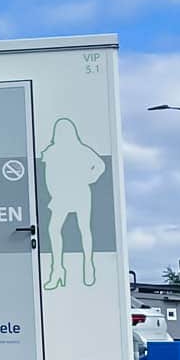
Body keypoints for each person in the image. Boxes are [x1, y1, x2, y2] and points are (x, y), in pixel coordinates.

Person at [39, 117, 104, 289]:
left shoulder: (77, 150)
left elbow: (100, 165)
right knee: (66, 229)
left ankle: (85, 266)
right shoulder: (55, 151)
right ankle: (59, 270)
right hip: (64, 194)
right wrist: (89, 178)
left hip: (76, 193)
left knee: (77, 229)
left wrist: (90, 178)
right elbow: (49, 174)